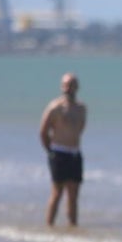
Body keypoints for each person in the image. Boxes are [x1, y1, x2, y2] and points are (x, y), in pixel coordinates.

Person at [39, 72, 88, 226]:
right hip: (58, 152)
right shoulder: (55, 107)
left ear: (77, 87)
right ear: (62, 87)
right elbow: (43, 131)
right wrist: (51, 151)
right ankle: (49, 225)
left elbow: (80, 129)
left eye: (71, 85)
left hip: (74, 154)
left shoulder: (81, 108)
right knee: (57, 192)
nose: (68, 88)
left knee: (73, 195)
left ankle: (73, 226)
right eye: (66, 85)